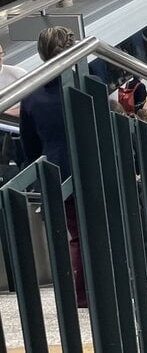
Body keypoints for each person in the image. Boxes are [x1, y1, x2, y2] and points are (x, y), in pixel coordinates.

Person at [19, 27, 87, 307]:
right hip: (93, 167)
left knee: (75, 234)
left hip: (57, 174)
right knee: (101, 229)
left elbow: (29, 144)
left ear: (41, 54)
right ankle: (105, 286)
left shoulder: (30, 96)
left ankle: (81, 295)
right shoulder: (88, 84)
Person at [0, 42, 27, 117]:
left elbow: (35, 102)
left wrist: (7, 114)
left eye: (1, 54)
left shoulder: (18, 74)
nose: (0, 58)